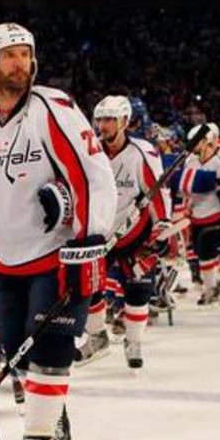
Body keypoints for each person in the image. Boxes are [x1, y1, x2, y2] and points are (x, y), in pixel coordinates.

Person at [0, 23, 118, 440]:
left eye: (25, 54)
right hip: (4, 261)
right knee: (17, 352)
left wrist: (89, 241)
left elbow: (93, 174)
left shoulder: (53, 107)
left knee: (50, 349)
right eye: (9, 55)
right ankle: (54, 418)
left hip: (57, 255)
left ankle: (37, 439)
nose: (20, 64)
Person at [76, 95, 172, 369]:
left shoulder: (142, 152)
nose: (103, 125)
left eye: (110, 119)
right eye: (100, 119)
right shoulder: (90, 151)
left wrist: (162, 226)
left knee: (138, 291)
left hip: (135, 233)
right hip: (100, 233)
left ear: (124, 122)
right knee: (88, 288)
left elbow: (157, 191)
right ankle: (97, 337)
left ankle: (133, 341)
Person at [171, 123, 220, 307]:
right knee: (205, 258)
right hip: (198, 218)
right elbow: (185, 189)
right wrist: (187, 207)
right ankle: (211, 291)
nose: (192, 146)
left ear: (206, 141)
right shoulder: (191, 161)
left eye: (196, 142)